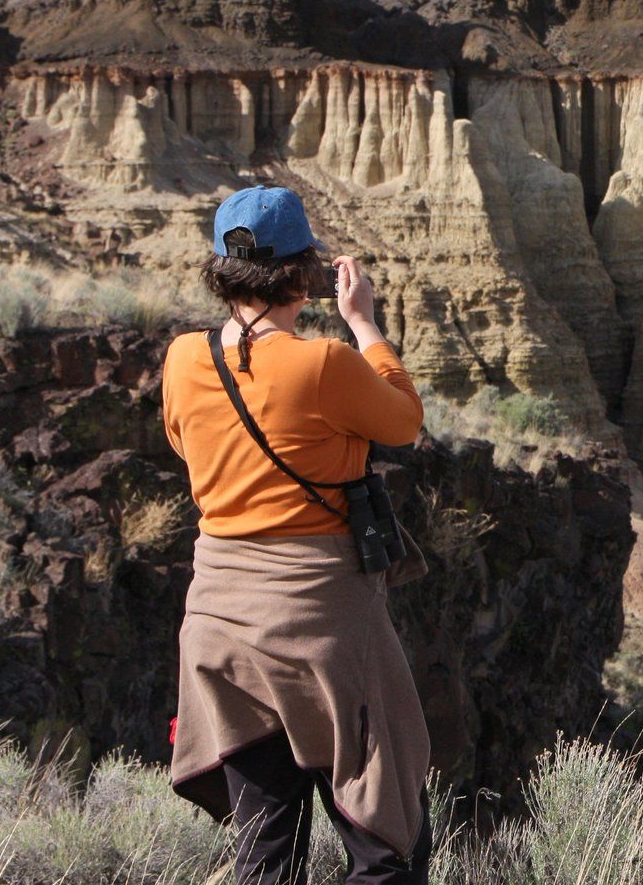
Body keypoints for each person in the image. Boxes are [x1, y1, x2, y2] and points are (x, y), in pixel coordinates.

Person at [164, 185, 431, 885]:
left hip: (220, 625)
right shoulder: (324, 363)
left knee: (264, 846)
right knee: (384, 841)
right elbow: (404, 421)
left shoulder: (183, 359)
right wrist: (364, 323)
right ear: (301, 272)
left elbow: (183, 443)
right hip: (321, 624)